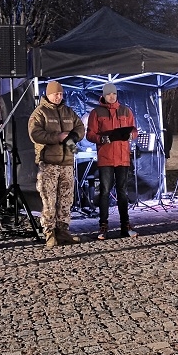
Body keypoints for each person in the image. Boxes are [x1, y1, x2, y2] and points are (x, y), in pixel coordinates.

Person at [28, 81, 85, 248]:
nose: (58, 97)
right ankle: (49, 232)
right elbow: (35, 134)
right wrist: (57, 137)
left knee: (66, 198)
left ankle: (63, 230)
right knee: (49, 199)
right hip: (49, 163)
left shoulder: (69, 111)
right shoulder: (40, 113)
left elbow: (80, 126)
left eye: (60, 94)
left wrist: (74, 135)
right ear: (48, 94)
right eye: (55, 94)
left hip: (67, 162)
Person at [86, 83, 138, 240]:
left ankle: (125, 225)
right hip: (106, 158)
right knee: (105, 192)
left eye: (114, 94)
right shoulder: (96, 113)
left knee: (122, 192)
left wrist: (131, 135)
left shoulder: (126, 110)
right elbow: (90, 134)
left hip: (122, 158)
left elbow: (134, 130)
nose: (111, 96)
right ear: (104, 95)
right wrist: (101, 138)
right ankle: (103, 226)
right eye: (108, 94)